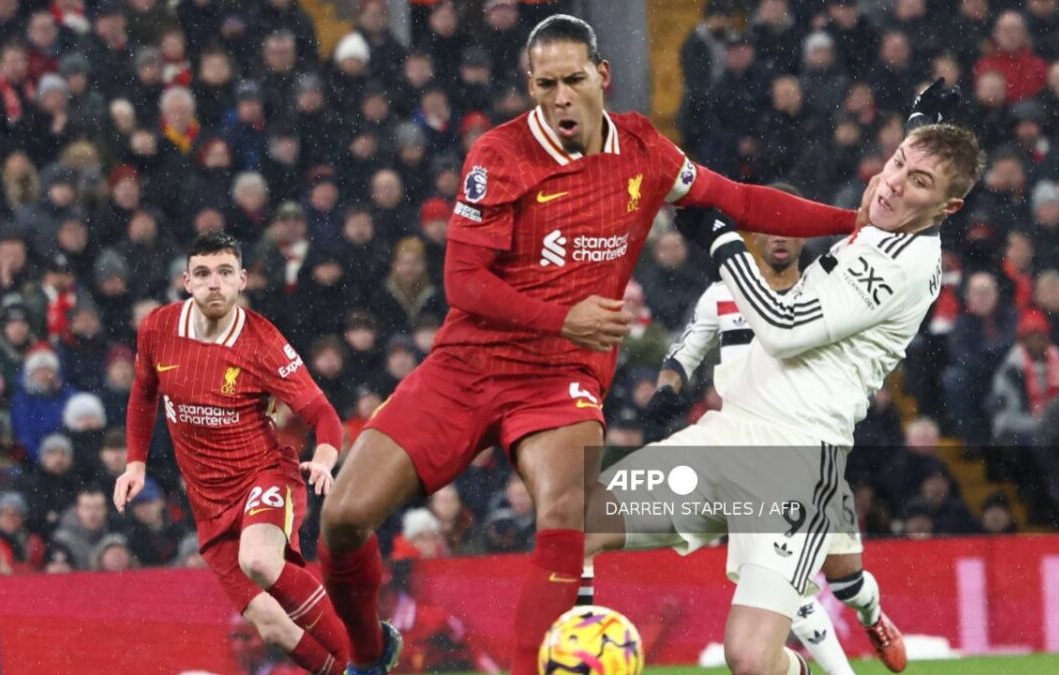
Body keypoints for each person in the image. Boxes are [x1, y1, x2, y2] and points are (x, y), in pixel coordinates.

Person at [319, 14, 863, 675]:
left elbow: (741, 198)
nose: (559, 98)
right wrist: (561, 316)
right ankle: (370, 653)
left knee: (567, 514)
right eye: (545, 84)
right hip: (467, 367)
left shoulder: (643, 152)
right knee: (344, 518)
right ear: (530, 85)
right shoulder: (498, 155)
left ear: (601, 76)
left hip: (559, 381)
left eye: (573, 80)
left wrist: (856, 220)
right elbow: (462, 283)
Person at [591, 90, 984, 675]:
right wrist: (926, 124)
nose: (895, 182)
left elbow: (784, 326)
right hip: (726, 434)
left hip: (795, 463)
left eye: (919, 181)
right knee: (574, 521)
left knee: (751, 657)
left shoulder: (902, 265)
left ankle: (831, 649)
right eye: (898, 161)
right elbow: (912, 165)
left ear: (946, 209)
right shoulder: (889, 215)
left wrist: (721, 238)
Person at [629, 184, 903, 675]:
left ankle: (876, 618)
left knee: (849, 580)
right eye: (769, 227)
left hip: (807, 451)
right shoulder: (721, 295)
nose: (779, 237)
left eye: (790, 228)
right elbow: (683, 353)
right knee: (783, 589)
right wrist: (667, 389)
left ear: (803, 236)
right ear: (751, 234)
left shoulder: (821, 293)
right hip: (747, 452)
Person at [115, 231, 350, 675]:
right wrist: (135, 464)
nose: (214, 284)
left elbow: (323, 412)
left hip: (264, 475)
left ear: (242, 280)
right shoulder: (158, 328)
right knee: (275, 629)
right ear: (187, 281)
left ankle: (362, 658)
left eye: (225, 273)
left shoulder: (262, 341)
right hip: (209, 505)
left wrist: (323, 459)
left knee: (259, 560)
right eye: (203, 274)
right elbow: (143, 393)